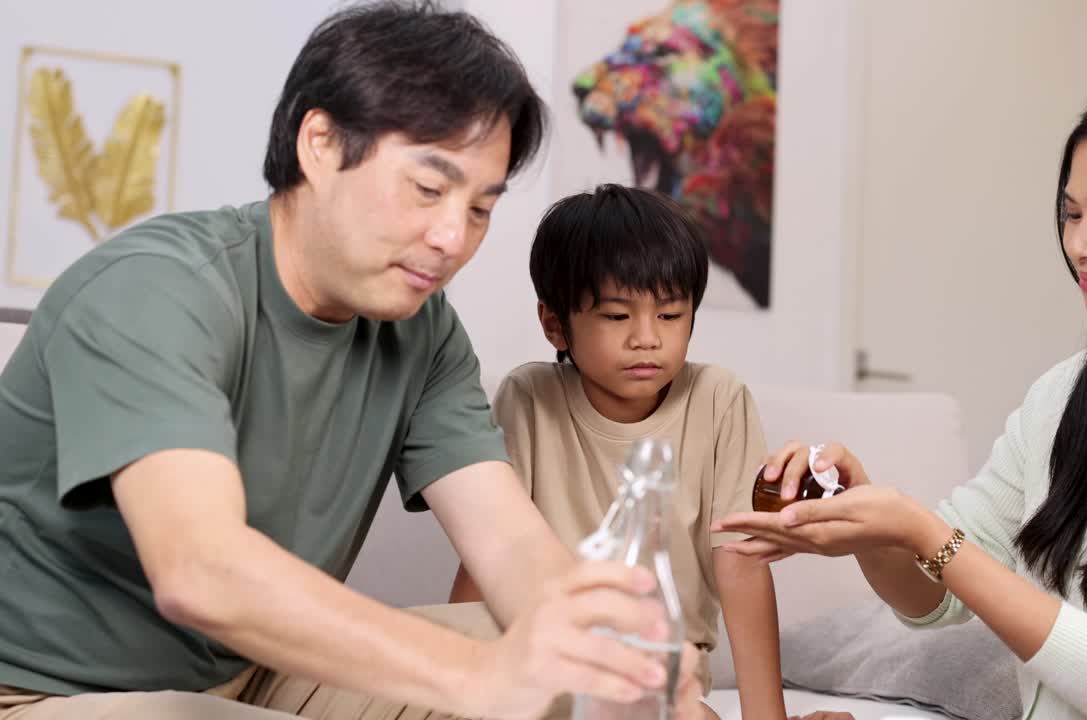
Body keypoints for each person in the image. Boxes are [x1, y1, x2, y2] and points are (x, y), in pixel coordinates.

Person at [0, 3, 704, 719]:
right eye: (429, 189)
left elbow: (509, 544)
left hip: (258, 672)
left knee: (580, 672)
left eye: (482, 207)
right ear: (321, 144)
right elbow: (199, 571)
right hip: (43, 691)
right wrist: (475, 677)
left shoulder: (426, 333)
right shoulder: (157, 288)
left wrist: (613, 645)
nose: (453, 237)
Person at [714, 66, 1087, 720]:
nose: (1080, 244)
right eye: (1070, 214)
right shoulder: (1065, 396)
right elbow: (934, 599)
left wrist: (922, 528)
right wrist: (870, 525)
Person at [449, 185, 851, 720]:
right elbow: (488, 548)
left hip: (661, 678)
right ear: (554, 324)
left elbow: (740, 564)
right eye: (617, 317)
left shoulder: (719, 400)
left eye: (669, 315)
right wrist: (459, 689)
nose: (647, 339)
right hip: (547, 664)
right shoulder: (530, 398)